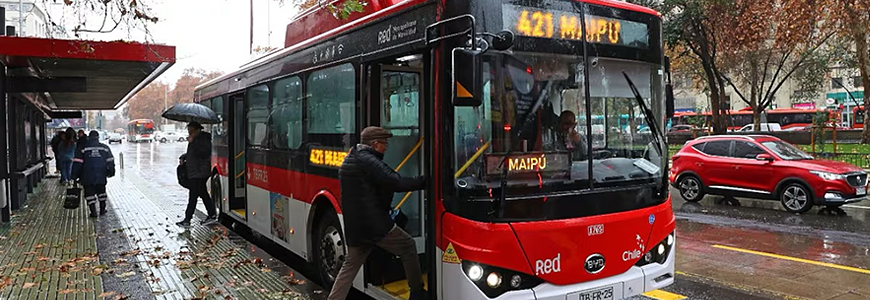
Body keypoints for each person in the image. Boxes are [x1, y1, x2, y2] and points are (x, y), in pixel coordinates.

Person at [327, 126, 427, 300]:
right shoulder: (368, 160)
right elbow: (395, 182)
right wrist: (425, 181)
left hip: (356, 226)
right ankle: (417, 292)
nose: (386, 147)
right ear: (374, 144)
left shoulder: (352, 157)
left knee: (350, 265)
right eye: (384, 143)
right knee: (408, 246)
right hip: (374, 224)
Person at [176, 122, 218, 227]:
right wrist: (184, 156)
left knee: (193, 196)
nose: (189, 131)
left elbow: (204, 153)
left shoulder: (203, 139)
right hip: (195, 172)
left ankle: (187, 219)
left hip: (200, 172)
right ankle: (212, 214)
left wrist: (193, 142)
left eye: (190, 129)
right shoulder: (195, 139)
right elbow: (193, 154)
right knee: (203, 194)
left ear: (196, 129)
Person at [72, 131, 115, 218]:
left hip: (86, 175)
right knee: (101, 192)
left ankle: (93, 211)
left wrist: (74, 175)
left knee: (89, 194)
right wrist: (111, 171)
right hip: (101, 174)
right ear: (98, 137)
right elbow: (110, 161)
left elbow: (78, 163)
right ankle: (102, 209)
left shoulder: (83, 148)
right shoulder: (104, 148)